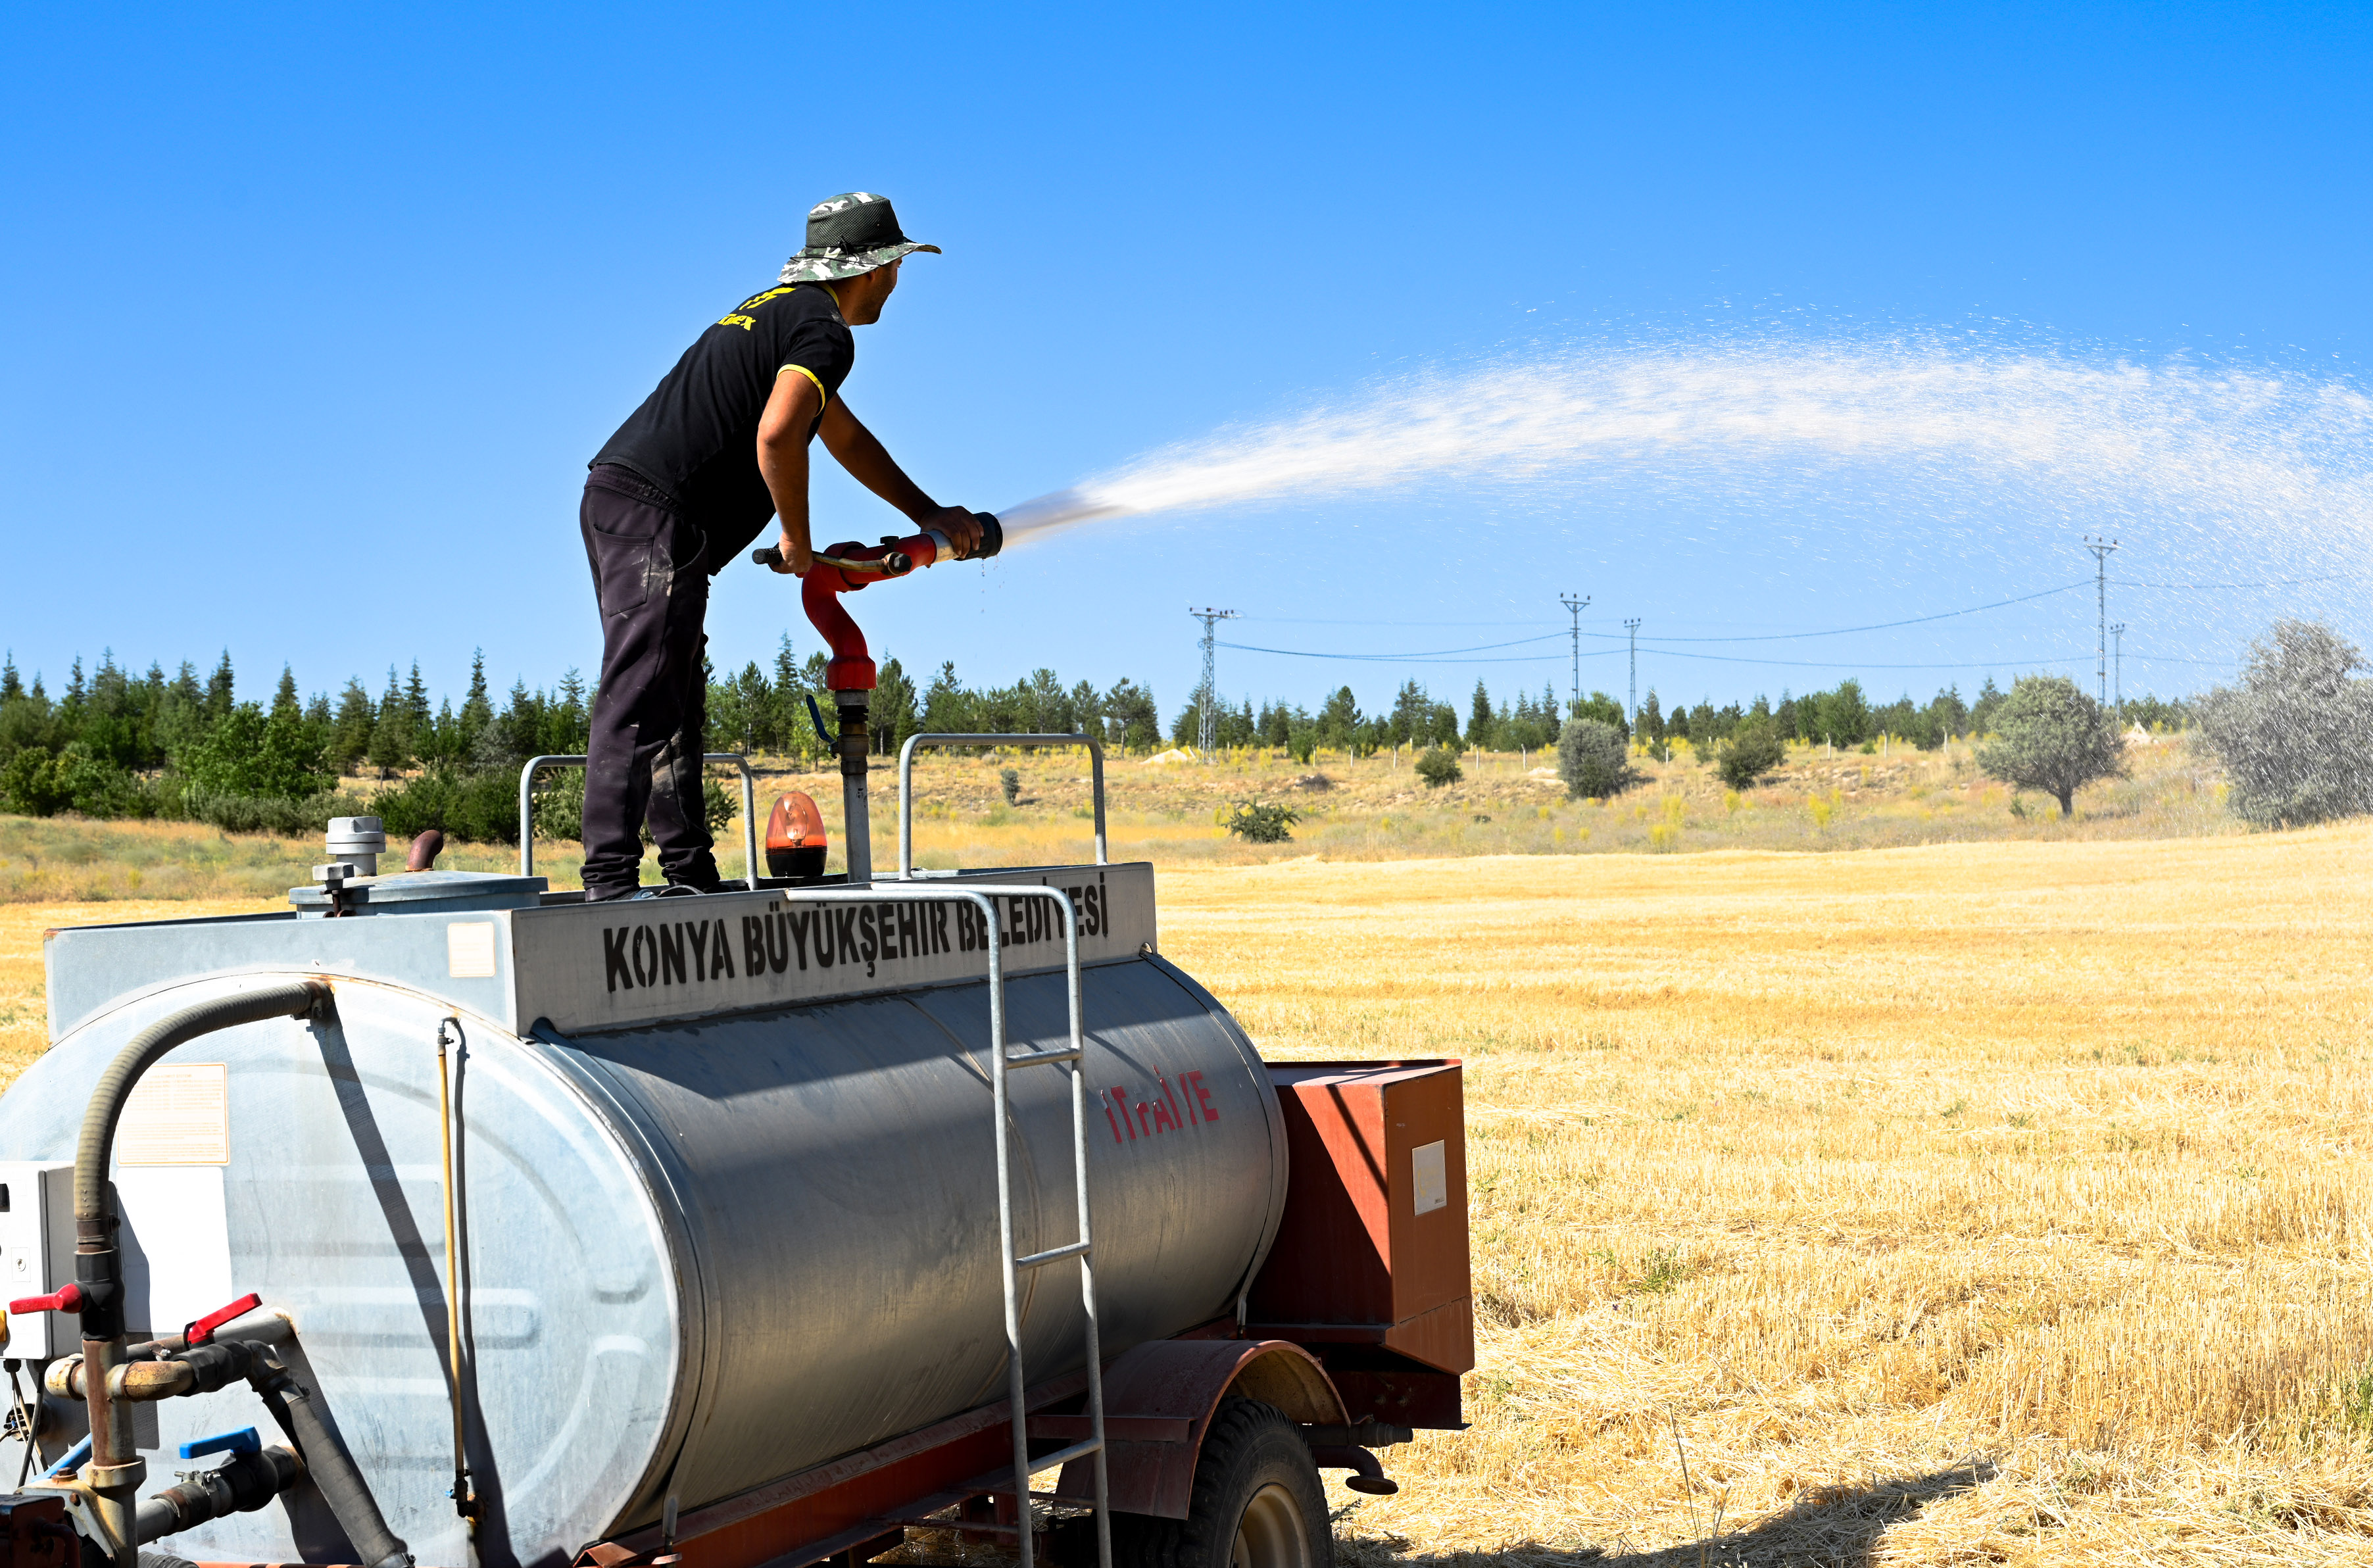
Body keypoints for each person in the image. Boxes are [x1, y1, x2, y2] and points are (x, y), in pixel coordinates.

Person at [576, 192, 984, 901]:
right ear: (874, 268)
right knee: (642, 689)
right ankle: (608, 885)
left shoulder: (776, 311)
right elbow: (777, 434)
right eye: (894, 268)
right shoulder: (825, 329)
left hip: (624, 498)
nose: (894, 284)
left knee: (670, 687)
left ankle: (689, 874)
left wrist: (930, 513)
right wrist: (795, 536)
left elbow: (843, 437)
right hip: (654, 511)